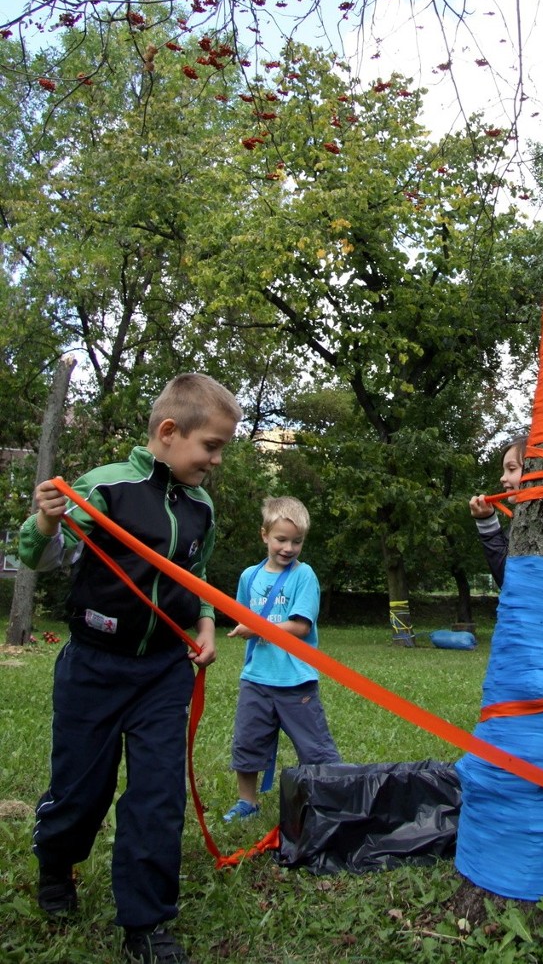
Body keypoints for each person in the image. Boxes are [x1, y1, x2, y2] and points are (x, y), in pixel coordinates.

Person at [18, 373, 242, 964]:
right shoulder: (107, 487)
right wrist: (45, 521)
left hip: (163, 674)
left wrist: (204, 625)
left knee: (156, 796)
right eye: (211, 446)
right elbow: (43, 558)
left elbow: (192, 581)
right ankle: (55, 865)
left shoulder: (200, 506)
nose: (216, 461)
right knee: (79, 792)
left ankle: (146, 924)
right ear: (169, 432)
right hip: (94, 666)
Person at [223, 495, 340, 822]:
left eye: (296, 541)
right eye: (281, 539)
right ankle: (248, 801)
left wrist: (256, 627)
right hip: (256, 678)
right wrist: (244, 625)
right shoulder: (250, 576)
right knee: (247, 742)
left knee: (315, 747)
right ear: (264, 535)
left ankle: (330, 797)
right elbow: (242, 613)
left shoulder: (304, 576)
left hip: (295, 680)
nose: (288, 548)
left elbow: (301, 626)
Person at [468, 435, 527, 589]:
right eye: (504, 470)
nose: (502, 478)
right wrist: (487, 521)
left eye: (512, 469)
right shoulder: (521, 524)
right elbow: (506, 578)